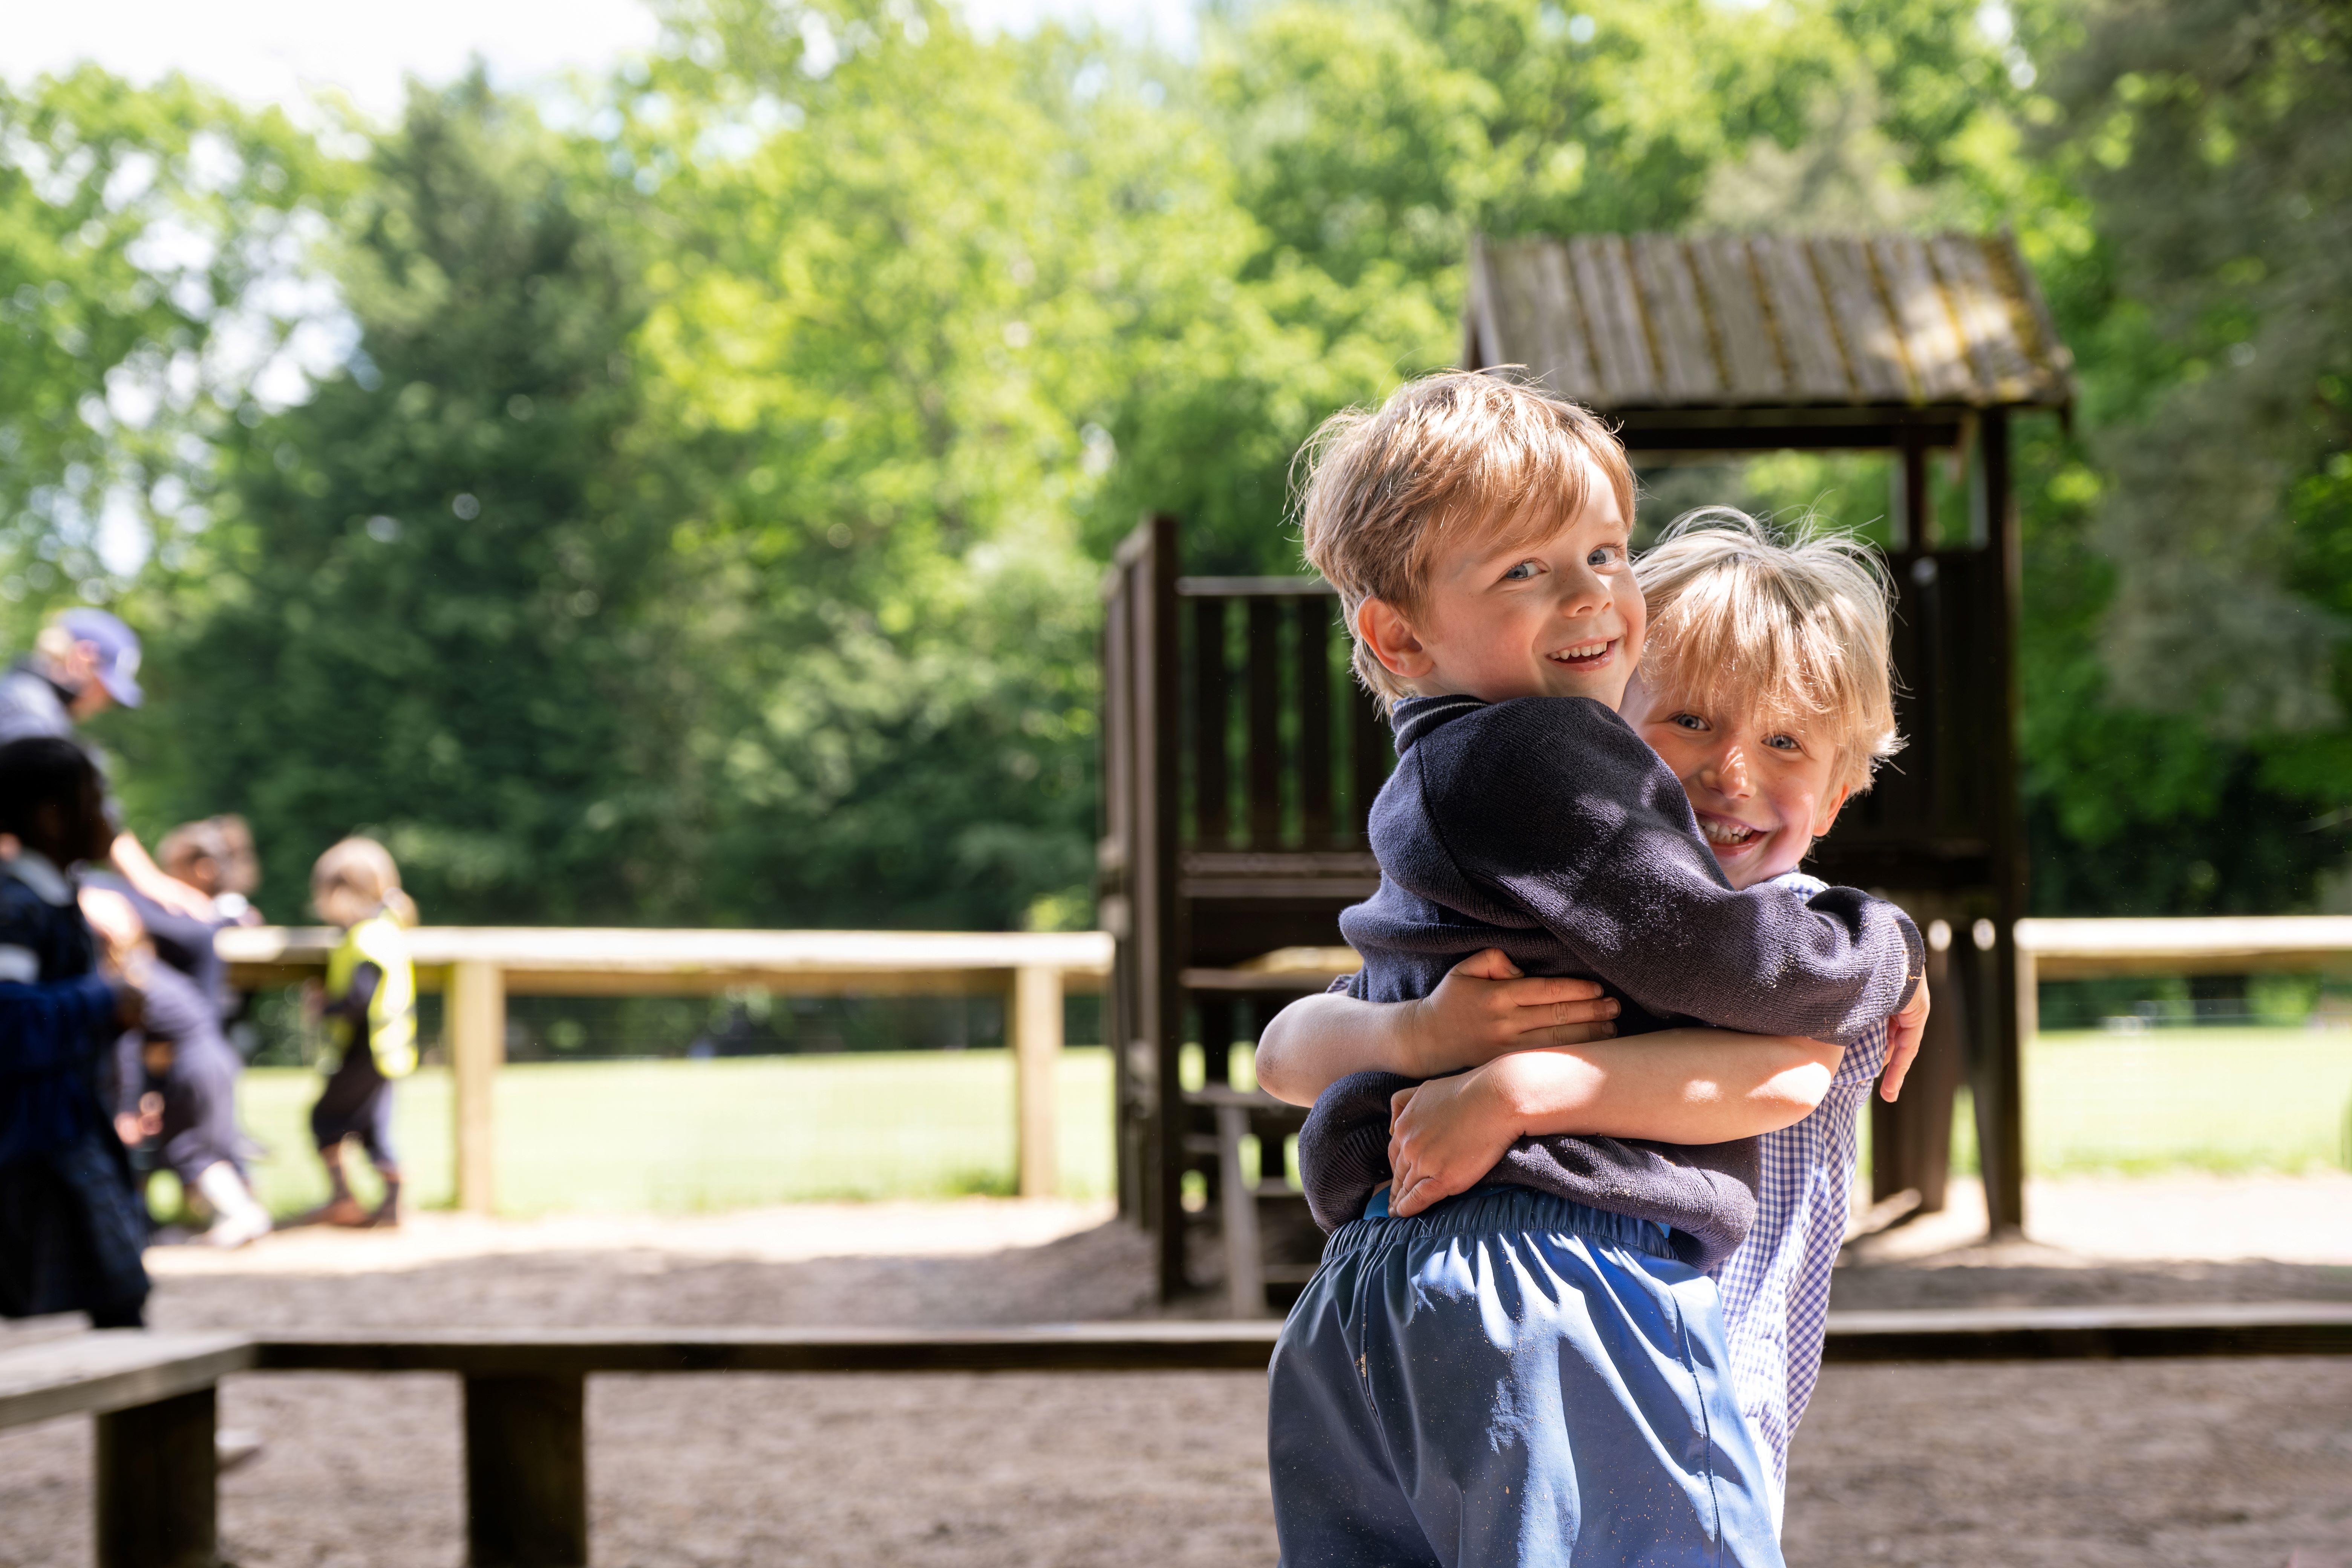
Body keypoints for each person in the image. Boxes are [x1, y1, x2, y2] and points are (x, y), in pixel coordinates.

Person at [1253, 371, 1925, 1568]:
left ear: (1840, 785)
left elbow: (1286, 1053)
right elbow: (1773, 1043)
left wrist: (1425, 1041)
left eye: (1606, 555)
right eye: (1527, 568)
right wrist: (1889, 950)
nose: (1726, 773)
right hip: (1559, 1276)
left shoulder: (1483, 838)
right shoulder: (1557, 771)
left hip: (1367, 1294)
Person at [0, 737, 153, 1327]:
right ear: (53, 817)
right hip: (35, 1140)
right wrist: (104, 1000)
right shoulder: (16, 908)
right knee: (118, 1292)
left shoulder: (55, 901)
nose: (112, 817)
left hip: (61, 1129)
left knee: (116, 1293)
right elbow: (9, 1020)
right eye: (99, 799)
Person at [87, 887, 273, 1249]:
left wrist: (126, 1108)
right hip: (213, 1057)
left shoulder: (125, 981)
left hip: (194, 1064)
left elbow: (127, 1050)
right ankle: (232, 1213)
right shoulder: (148, 969)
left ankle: (241, 1213)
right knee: (205, 1144)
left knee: (189, 1148)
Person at [0, 608, 215, 920]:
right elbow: (13, 832)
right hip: (23, 886)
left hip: (46, 880)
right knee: (186, 933)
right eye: (106, 687)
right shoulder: (25, 711)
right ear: (84, 658)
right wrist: (78, 897)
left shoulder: (43, 711)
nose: (106, 702)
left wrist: (155, 884)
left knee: (185, 922)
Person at [303, 838, 417, 1229]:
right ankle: (392, 1207)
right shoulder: (389, 929)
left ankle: (343, 1200)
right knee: (374, 1128)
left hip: (364, 1049)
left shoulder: (366, 936)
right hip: (390, 1049)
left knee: (324, 1119)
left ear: (340, 892)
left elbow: (359, 999)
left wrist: (324, 1007)